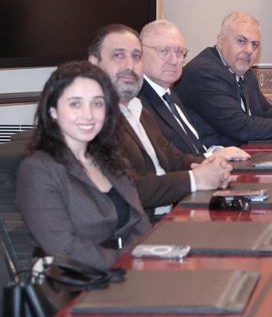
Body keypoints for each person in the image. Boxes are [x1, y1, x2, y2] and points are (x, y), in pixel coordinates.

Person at [88, 24, 233, 218]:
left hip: (171, 216)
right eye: (119, 55)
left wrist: (215, 165)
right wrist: (195, 179)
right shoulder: (92, 121)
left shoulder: (139, 110)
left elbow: (173, 158)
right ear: (94, 64)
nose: (130, 66)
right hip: (141, 227)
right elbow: (128, 187)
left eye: (136, 56)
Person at [16, 62, 151, 269]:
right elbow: (64, 249)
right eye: (75, 104)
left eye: (97, 104)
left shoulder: (110, 158)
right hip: (77, 280)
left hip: (127, 271)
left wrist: (151, 255)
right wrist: (128, 262)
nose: (88, 115)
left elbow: (140, 224)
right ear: (53, 111)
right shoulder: (37, 169)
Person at [176, 12, 272, 146]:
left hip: (238, 154)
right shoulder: (205, 73)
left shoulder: (242, 69)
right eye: (241, 41)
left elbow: (264, 111)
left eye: (254, 45)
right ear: (221, 41)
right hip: (207, 160)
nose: (249, 50)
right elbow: (240, 127)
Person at [139, 20, 249, 161]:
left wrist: (216, 151)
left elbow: (192, 147)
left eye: (179, 52)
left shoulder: (170, 94)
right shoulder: (138, 102)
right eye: (164, 51)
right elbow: (166, 162)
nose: (174, 60)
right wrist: (210, 157)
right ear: (140, 53)